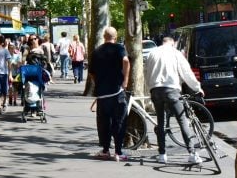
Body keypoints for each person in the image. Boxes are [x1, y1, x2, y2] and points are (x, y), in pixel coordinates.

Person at [144, 36, 205, 164]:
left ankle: (162, 154)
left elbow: (147, 72)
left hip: (156, 90)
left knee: (161, 122)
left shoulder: (152, 53)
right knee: (182, 120)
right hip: (171, 89)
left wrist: (150, 89)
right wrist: (197, 87)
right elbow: (186, 72)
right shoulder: (175, 53)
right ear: (172, 44)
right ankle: (192, 153)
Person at [87, 26, 131, 161]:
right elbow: (125, 61)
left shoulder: (96, 51)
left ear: (103, 37)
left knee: (104, 123)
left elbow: (91, 72)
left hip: (102, 94)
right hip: (116, 92)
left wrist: (98, 82)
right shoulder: (119, 48)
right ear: (115, 36)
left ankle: (106, 150)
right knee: (119, 122)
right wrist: (125, 80)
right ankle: (119, 152)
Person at [8, 42, 23, 107]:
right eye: (10, 48)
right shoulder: (7, 57)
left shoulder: (17, 56)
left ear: (14, 48)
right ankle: (10, 100)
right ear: (8, 49)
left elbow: (20, 65)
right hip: (9, 74)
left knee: (15, 89)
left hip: (16, 74)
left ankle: (15, 101)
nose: (11, 49)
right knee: (10, 88)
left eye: (12, 48)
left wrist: (15, 64)